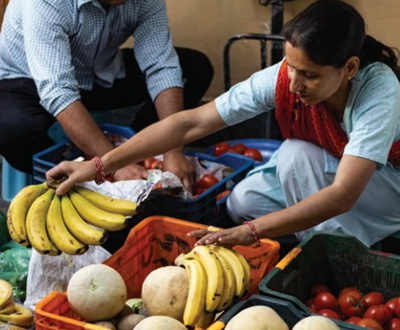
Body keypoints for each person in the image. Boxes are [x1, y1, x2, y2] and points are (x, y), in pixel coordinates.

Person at [47, 0, 400, 248]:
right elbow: (191, 123)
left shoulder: (379, 89)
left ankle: (332, 250)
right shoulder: (284, 79)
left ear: (350, 68)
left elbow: (342, 195)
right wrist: (100, 165)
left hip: (384, 186)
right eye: (290, 66)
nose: (293, 84)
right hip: (328, 166)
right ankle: (313, 232)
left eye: (308, 75)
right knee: (243, 202)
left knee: (295, 157)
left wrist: (251, 232)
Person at [0, 0, 213, 187]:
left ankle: (140, 147)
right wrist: (113, 164)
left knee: (194, 68)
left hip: (98, 74)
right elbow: (58, 90)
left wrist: (172, 147)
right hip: (27, 81)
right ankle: (76, 180)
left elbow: (161, 66)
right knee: (11, 128)